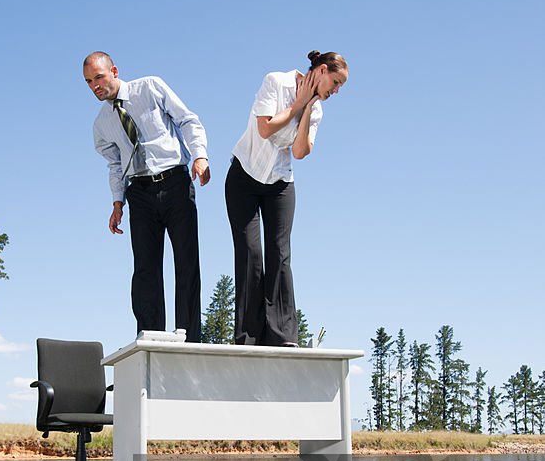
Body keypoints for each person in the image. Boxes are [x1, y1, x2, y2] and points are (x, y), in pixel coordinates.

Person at [225, 50, 349, 346]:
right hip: (244, 177)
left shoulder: (317, 110)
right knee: (251, 254)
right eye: (335, 82)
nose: (335, 91)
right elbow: (266, 128)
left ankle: (281, 336)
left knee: (280, 254)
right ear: (320, 71)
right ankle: (248, 336)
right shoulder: (276, 82)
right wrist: (298, 104)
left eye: (339, 87)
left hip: (280, 184)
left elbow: (299, 151)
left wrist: (307, 108)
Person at [84, 51, 210, 342]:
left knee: (187, 263)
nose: (95, 86)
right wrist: (117, 202)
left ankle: (190, 339)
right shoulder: (101, 124)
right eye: (89, 82)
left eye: (99, 78)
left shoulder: (150, 87)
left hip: (175, 182)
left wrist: (200, 156)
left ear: (114, 70)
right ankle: (151, 338)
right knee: (145, 271)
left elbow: (188, 120)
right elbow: (115, 165)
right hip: (139, 192)